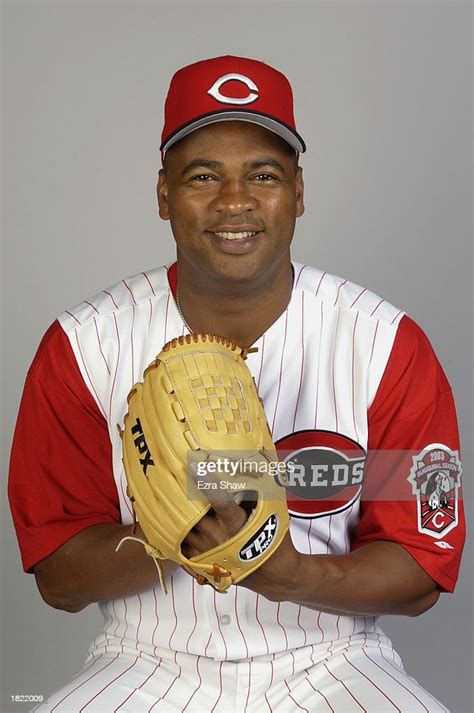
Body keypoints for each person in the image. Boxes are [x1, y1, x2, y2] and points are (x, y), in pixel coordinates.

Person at [9, 55, 464, 712]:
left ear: (298, 192)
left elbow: (421, 568)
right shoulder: (82, 346)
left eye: (263, 174)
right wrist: (173, 532)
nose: (235, 200)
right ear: (163, 193)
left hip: (332, 656)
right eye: (202, 175)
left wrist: (292, 573)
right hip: (148, 658)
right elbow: (58, 573)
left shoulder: (388, 345)